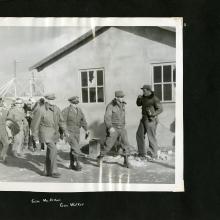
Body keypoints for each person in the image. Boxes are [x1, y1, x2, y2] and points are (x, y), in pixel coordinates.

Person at [31, 93, 68, 178]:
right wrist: (35, 137)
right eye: (50, 100)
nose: (51, 101)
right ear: (46, 100)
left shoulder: (57, 109)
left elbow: (61, 121)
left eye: (53, 100)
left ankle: (46, 171)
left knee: (50, 152)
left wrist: (65, 131)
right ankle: (54, 171)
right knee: (53, 150)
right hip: (45, 132)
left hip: (54, 133)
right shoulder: (41, 110)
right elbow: (34, 125)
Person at [97, 90, 131, 168]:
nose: (122, 98)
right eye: (121, 97)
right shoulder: (111, 105)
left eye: (123, 97)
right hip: (114, 128)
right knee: (108, 145)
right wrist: (110, 127)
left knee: (126, 145)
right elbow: (107, 117)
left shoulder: (123, 105)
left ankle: (126, 161)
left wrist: (124, 124)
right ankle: (100, 157)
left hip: (122, 128)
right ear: (116, 97)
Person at [62, 96, 89, 171]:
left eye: (77, 102)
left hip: (77, 132)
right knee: (76, 148)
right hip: (69, 133)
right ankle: (77, 164)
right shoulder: (66, 110)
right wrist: (65, 132)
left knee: (73, 148)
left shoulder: (79, 110)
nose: (76, 104)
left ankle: (71, 164)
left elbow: (83, 121)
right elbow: (62, 122)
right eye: (75, 102)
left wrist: (86, 129)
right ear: (71, 102)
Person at [136, 85, 163, 160]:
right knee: (139, 134)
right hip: (143, 118)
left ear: (149, 90)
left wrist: (153, 114)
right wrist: (138, 99)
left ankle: (154, 154)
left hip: (151, 120)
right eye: (142, 90)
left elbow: (160, 109)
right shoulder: (143, 97)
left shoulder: (154, 98)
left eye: (144, 90)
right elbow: (138, 104)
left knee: (151, 136)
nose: (143, 92)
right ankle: (141, 153)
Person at [0, 98, 13, 163]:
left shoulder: (5, 111)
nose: (1, 102)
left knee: (5, 143)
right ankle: (2, 157)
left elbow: (9, 120)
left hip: (3, 129)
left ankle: (2, 156)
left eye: (1, 101)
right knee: (3, 144)